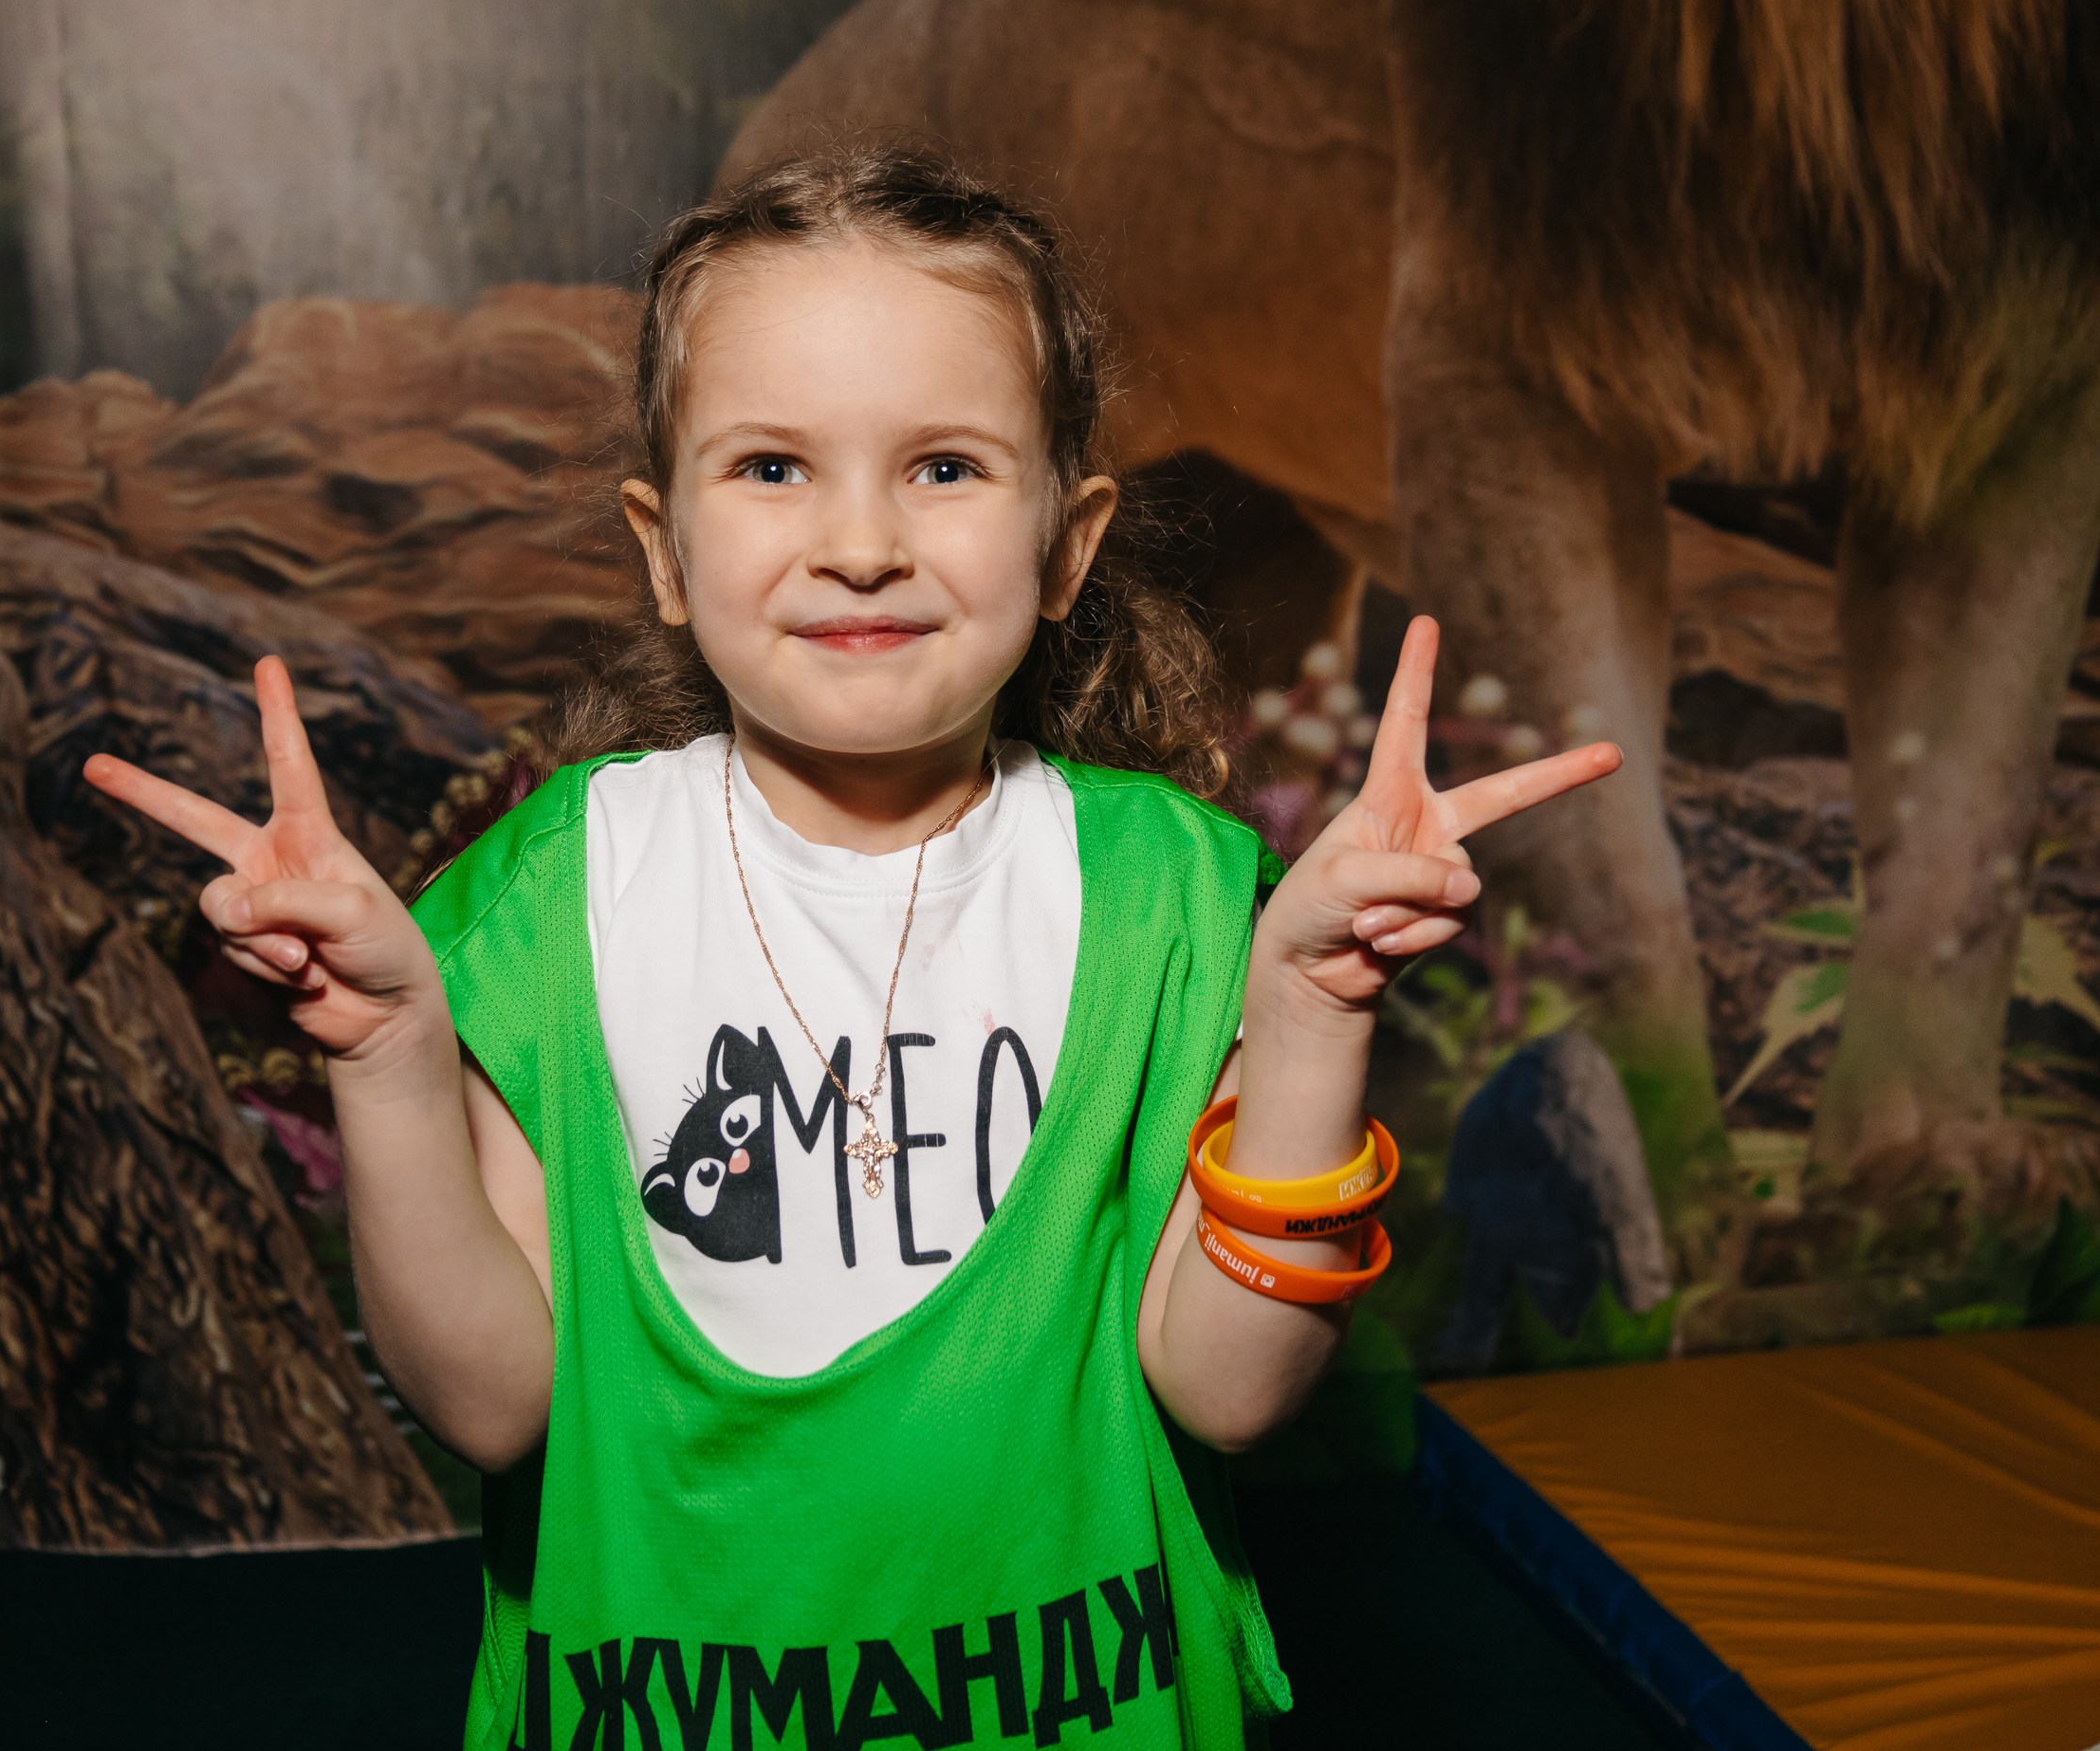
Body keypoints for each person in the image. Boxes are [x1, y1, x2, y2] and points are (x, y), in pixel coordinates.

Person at [84, 147, 1617, 1751]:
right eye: (772, 468)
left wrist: (1309, 1012)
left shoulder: (1170, 894)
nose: (862, 541)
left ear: (1067, 544)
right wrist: (388, 1059)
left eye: (944, 466)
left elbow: (1232, 1393)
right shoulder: (556, 895)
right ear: (664, 548)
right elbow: (489, 1405)